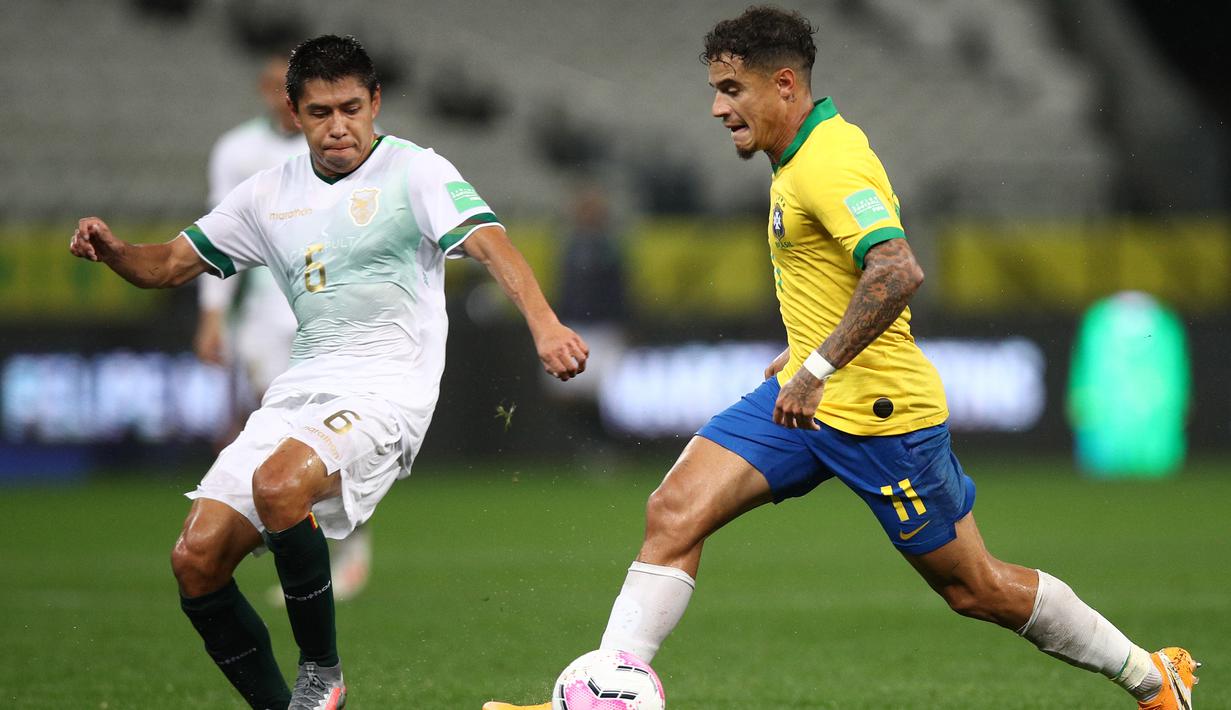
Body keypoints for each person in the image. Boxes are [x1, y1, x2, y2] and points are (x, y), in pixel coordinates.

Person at [483, 8, 1196, 710]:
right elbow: (837, 280)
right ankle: (599, 697)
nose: (715, 108)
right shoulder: (795, 159)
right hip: (803, 400)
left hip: (878, 414)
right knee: (672, 512)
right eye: (714, 90)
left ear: (784, 85)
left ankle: (1151, 678)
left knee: (973, 587)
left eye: (731, 90)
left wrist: (817, 367)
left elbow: (895, 268)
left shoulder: (828, 160)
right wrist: (800, 356)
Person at [70, 34, 588, 710]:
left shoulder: (416, 172)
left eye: (351, 108)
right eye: (319, 113)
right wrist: (114, 251)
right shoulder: (266, 195)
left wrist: (544, 324)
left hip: (388, 389)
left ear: (375, 102)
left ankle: (322, 673)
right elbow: (167, 264)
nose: (338, 126)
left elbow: (492, 244)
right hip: (301, 388)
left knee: (279, 483)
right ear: (293, 113)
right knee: (195, 561)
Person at [193, 52, 373, 605]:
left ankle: (349, 549)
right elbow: (215, 235)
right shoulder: (236, 151)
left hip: (332, 310)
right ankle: (300, 542)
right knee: (282, 430)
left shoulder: (339, 141)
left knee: (330, 434)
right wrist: (213, 313)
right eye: (273, 86)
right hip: (266, 316)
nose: (280, 95)